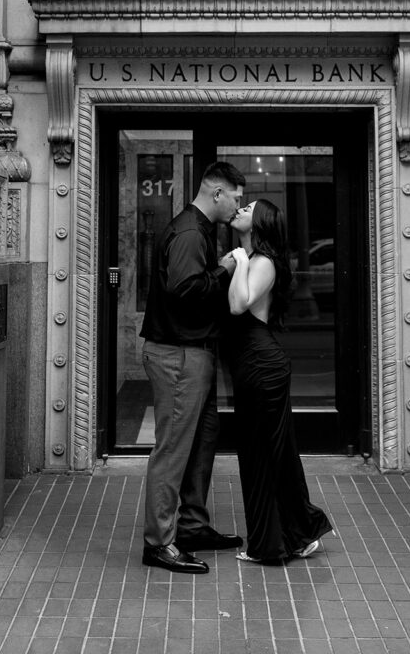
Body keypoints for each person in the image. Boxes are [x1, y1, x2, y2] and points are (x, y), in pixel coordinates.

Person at [140, 161, 247, 574]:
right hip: (178, 355)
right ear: (217, 193)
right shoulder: (188, 231)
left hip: (191, 353)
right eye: (235, 196)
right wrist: (227, 268)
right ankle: (159, 543)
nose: (238, 204)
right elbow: (186, 291)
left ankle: (192, 526)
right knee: (174, 449)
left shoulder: (197, 229)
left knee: (202, 441)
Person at [227, 199, 334, 563]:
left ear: (259, 222)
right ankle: (299, 533)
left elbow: (238, 305)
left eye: (249, 207)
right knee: (270, 452)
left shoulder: (262, 263)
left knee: (264, 454)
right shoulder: (253, 259)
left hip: (261, 366)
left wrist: (241, 261)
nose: (241, 207)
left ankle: (272, 544)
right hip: (253, 364)